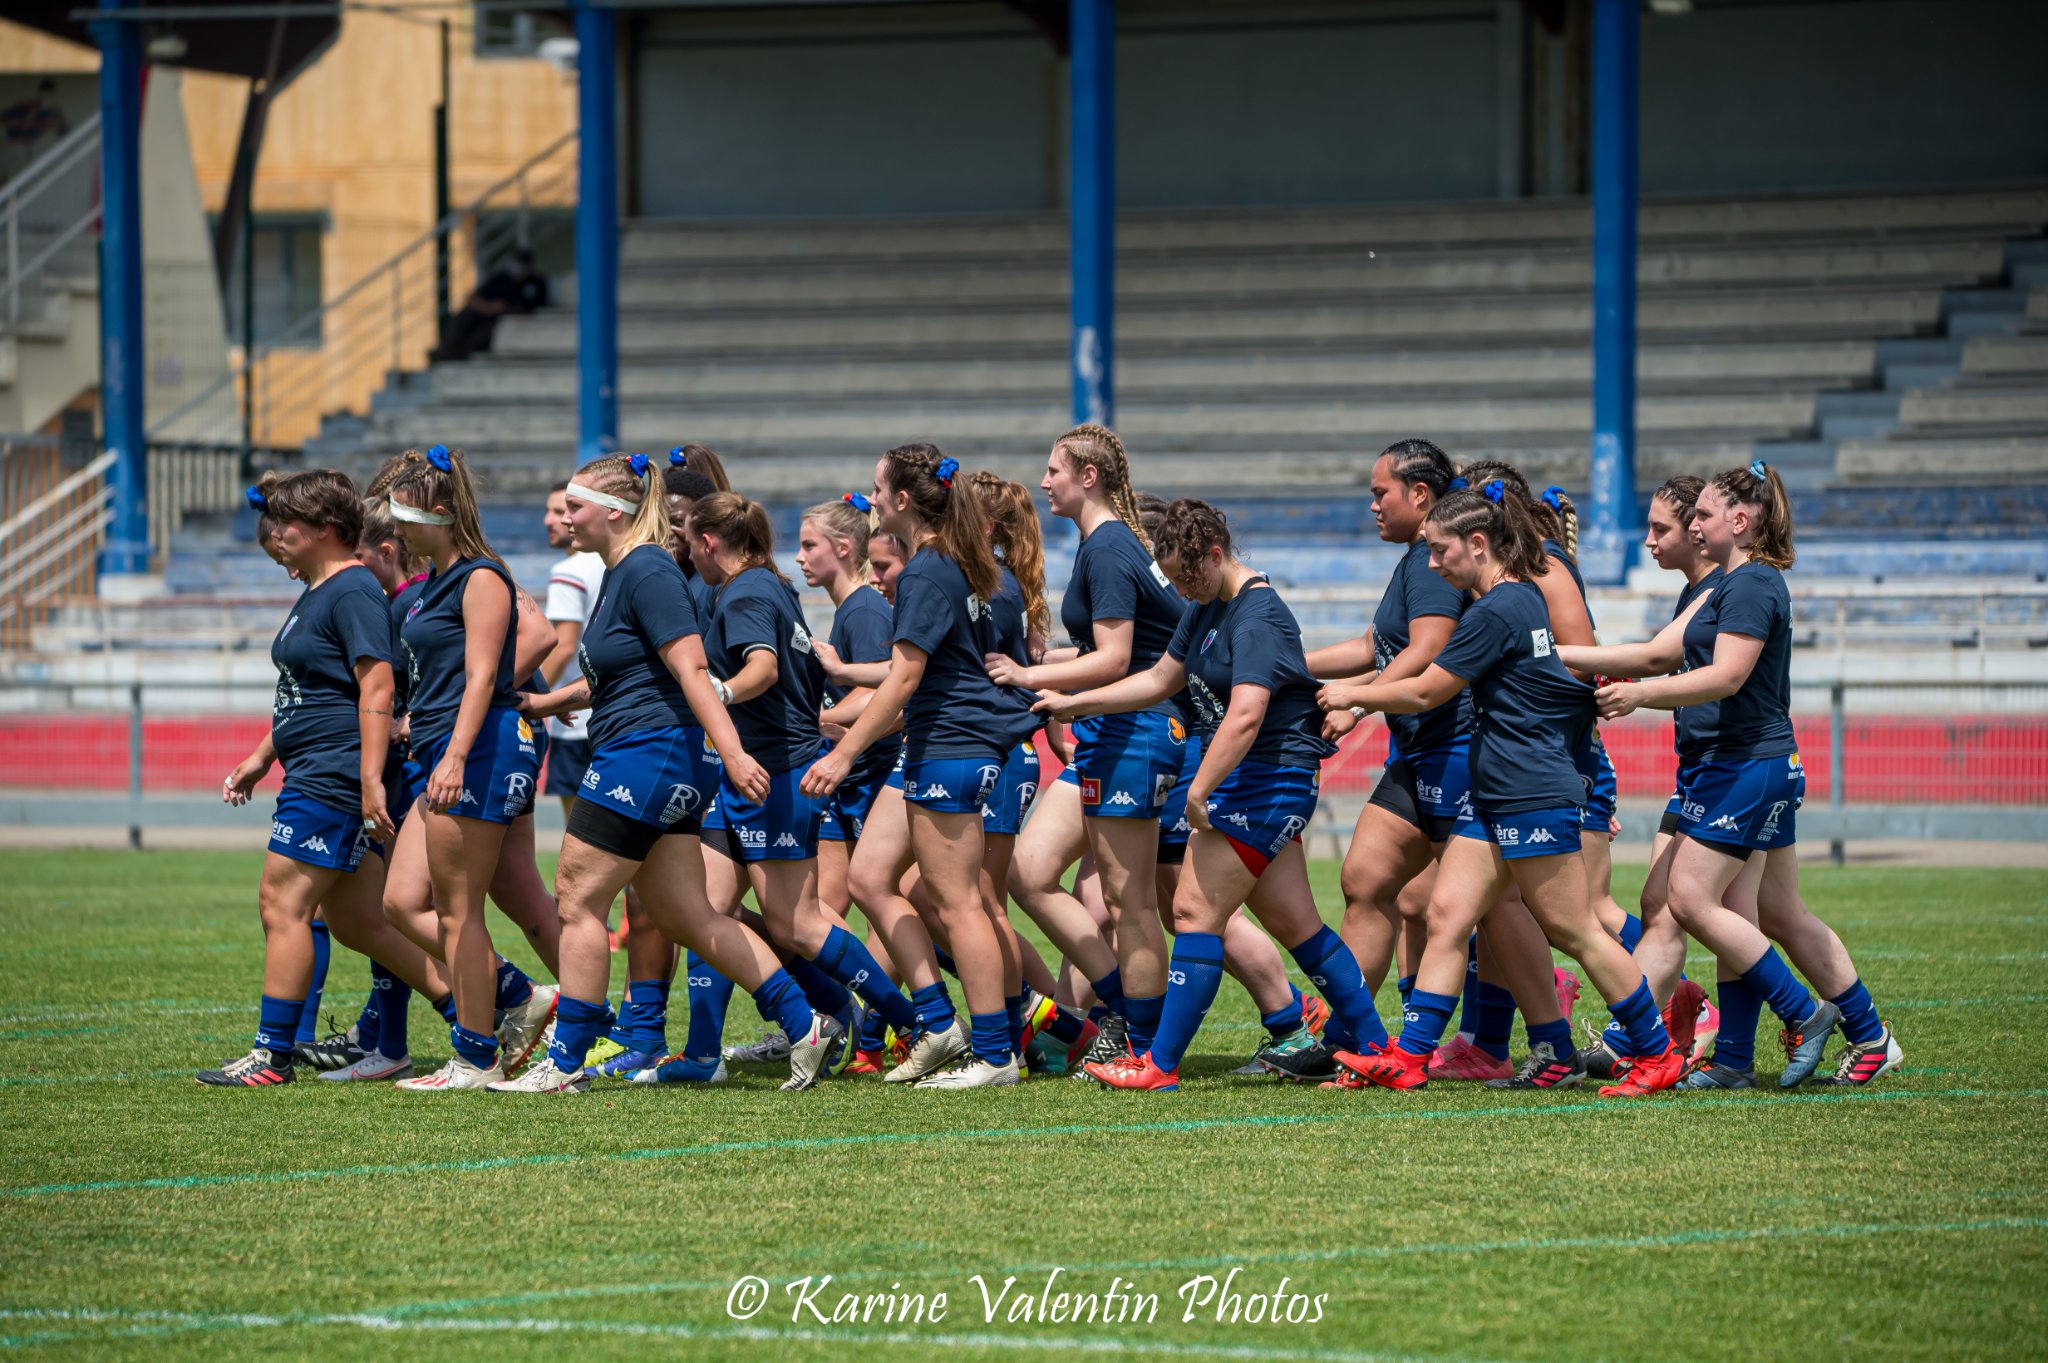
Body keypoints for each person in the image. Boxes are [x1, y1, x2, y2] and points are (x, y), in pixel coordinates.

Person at [1320, 483, 1687, 1097]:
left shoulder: (1497, 610)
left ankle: (1654, 1054)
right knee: (1445, 915)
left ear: (1479, 544)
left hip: (1526, 789)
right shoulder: (1512, 602)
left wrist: (1355, 695)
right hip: (1494, 788)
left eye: (1441, 552)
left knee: (1576, 929)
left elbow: (1424, 691)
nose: (1433, 565)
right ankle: (1410, 1059)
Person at [495, 452, 840, 1094]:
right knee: (690, 915)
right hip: (655, 751)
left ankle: (564, 1062)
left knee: (577, 898)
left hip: (648, 754)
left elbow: (690, 671)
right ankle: (805, 1025)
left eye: (573, 504)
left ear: (615, 512)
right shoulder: (625, 571)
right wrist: (543, 702)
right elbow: (623, 676)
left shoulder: (647, 568)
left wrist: (733, 752)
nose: (563, 515)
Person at [1564, 460, 1901, 1089]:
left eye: (1701, 515)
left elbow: (1725, 677)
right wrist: (1549, 651)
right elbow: (1656, 653)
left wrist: (1640, 695)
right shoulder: (1729, 583)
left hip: (1745, 765)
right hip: (1732, 766)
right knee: (1755, 910)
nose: (1691, 527)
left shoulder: (1749, 586)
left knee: (1691, 900)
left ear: (1740, 522)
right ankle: (1751, 1056)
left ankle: (1804, 1015)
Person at [1030, 499, 1383, 1090]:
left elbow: (1246, 714)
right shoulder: (1207, 606)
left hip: (1267, 779)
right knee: (1296, 922)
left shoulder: (1258, 615)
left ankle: (1158, 1065)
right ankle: (1375, 1047)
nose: (1184, 591)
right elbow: (1158, 679)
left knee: (1193, 911)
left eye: (1190, 576)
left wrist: (1200, 791)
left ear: (1216, 555)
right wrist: (1074, 702)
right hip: (1258, 778)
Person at [201, 471, 457, 1086]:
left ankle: (271, 1056)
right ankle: (488, 1008)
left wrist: (369, 778)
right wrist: (264, 754)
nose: (274, 533)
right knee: (359, 922)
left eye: (287, 523)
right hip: (316, 768)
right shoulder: (322, 590)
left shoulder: (352, 591)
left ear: (326, 530)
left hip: (332, 775)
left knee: (281, 904)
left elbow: (377, 684)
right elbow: (312, 690)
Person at [802, 444, 1042, 1088]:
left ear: (903, 500)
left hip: (951, 745)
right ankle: (938, 1024)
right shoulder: (977, 566)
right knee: (871, 877)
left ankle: (996, 1053)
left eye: (877, 489)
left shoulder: (928, 572)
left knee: (960, 903)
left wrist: (843, 753)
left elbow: (906, 677)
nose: (871, 498)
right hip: (948, 744)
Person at [990, 425, 1182, 1071]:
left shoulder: (1107, 547)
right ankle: (1119, 1005)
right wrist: (1043, 662)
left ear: (1088, 476)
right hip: (1113, 729)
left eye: (1054, 470)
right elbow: (1109, 651)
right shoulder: (1106, 543)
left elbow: (1120, 658)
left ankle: (1145, 1042)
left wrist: (1031, 676)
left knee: (1133, 902)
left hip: (1138, 728)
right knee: (1030, 870)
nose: (1044, 482)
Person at [384, 445, 558, 1090]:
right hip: (442, 752)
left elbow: (486, 674)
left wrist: (454, 753)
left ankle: (475, 1056)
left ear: (438, 511)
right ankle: (518, 996)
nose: (396, 530)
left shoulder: (482, 576)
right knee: (402, 902)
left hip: (476, 754)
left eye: (404, 515)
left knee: (460, 910)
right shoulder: (433, 582)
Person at [1304, 439, 1474, 1082]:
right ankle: (1352, 1033)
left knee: (1538, 913)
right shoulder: (1415, 560)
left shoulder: (1435, 562)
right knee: (1366, 882)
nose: (1373, 504)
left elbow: (1430, 647)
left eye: (1382, 493)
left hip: (1457, 750)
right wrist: (1282, 662)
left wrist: (1360, 703)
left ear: (1420, 495)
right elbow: (1374, 644)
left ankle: (1557, 1033)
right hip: (1417, 753)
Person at [540, 481, 608, 815]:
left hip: (576, 719)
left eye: (561, 511)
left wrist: (538, 699)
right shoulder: (611, 563)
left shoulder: (568, 571)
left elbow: (563, 646)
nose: (550, 520)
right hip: (611, 713)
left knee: (580, 831)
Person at [431, 248, 548, 363]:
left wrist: (504, 309)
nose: (518, 269)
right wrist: (488, 307)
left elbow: (532, 309)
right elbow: (473, 297)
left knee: (481, 335)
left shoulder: (536, 283)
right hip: (484, 312)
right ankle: (444, 351)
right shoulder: (502, 278)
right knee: (463, 317)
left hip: (502, 319)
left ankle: (457, 356)